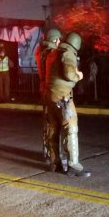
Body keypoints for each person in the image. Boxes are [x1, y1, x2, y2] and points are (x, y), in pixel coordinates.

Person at [45, 32, 90, 177]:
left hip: (50, 96)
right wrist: (79, 76)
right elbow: (69, 74)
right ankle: (73, 165)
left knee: (52, 129)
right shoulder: (68, 53)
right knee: (71, 127)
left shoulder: (53, 52)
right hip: (63, 97)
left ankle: (54, 162)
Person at [35, 28, 62, 171]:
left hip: (43, 90)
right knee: (54, 123)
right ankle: (54, 156)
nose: (59, 42)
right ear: (53, 39)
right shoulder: (51, 54)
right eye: (57, 39)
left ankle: (47, 152)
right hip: (51, 90)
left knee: (47, 122)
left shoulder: (40, 51)